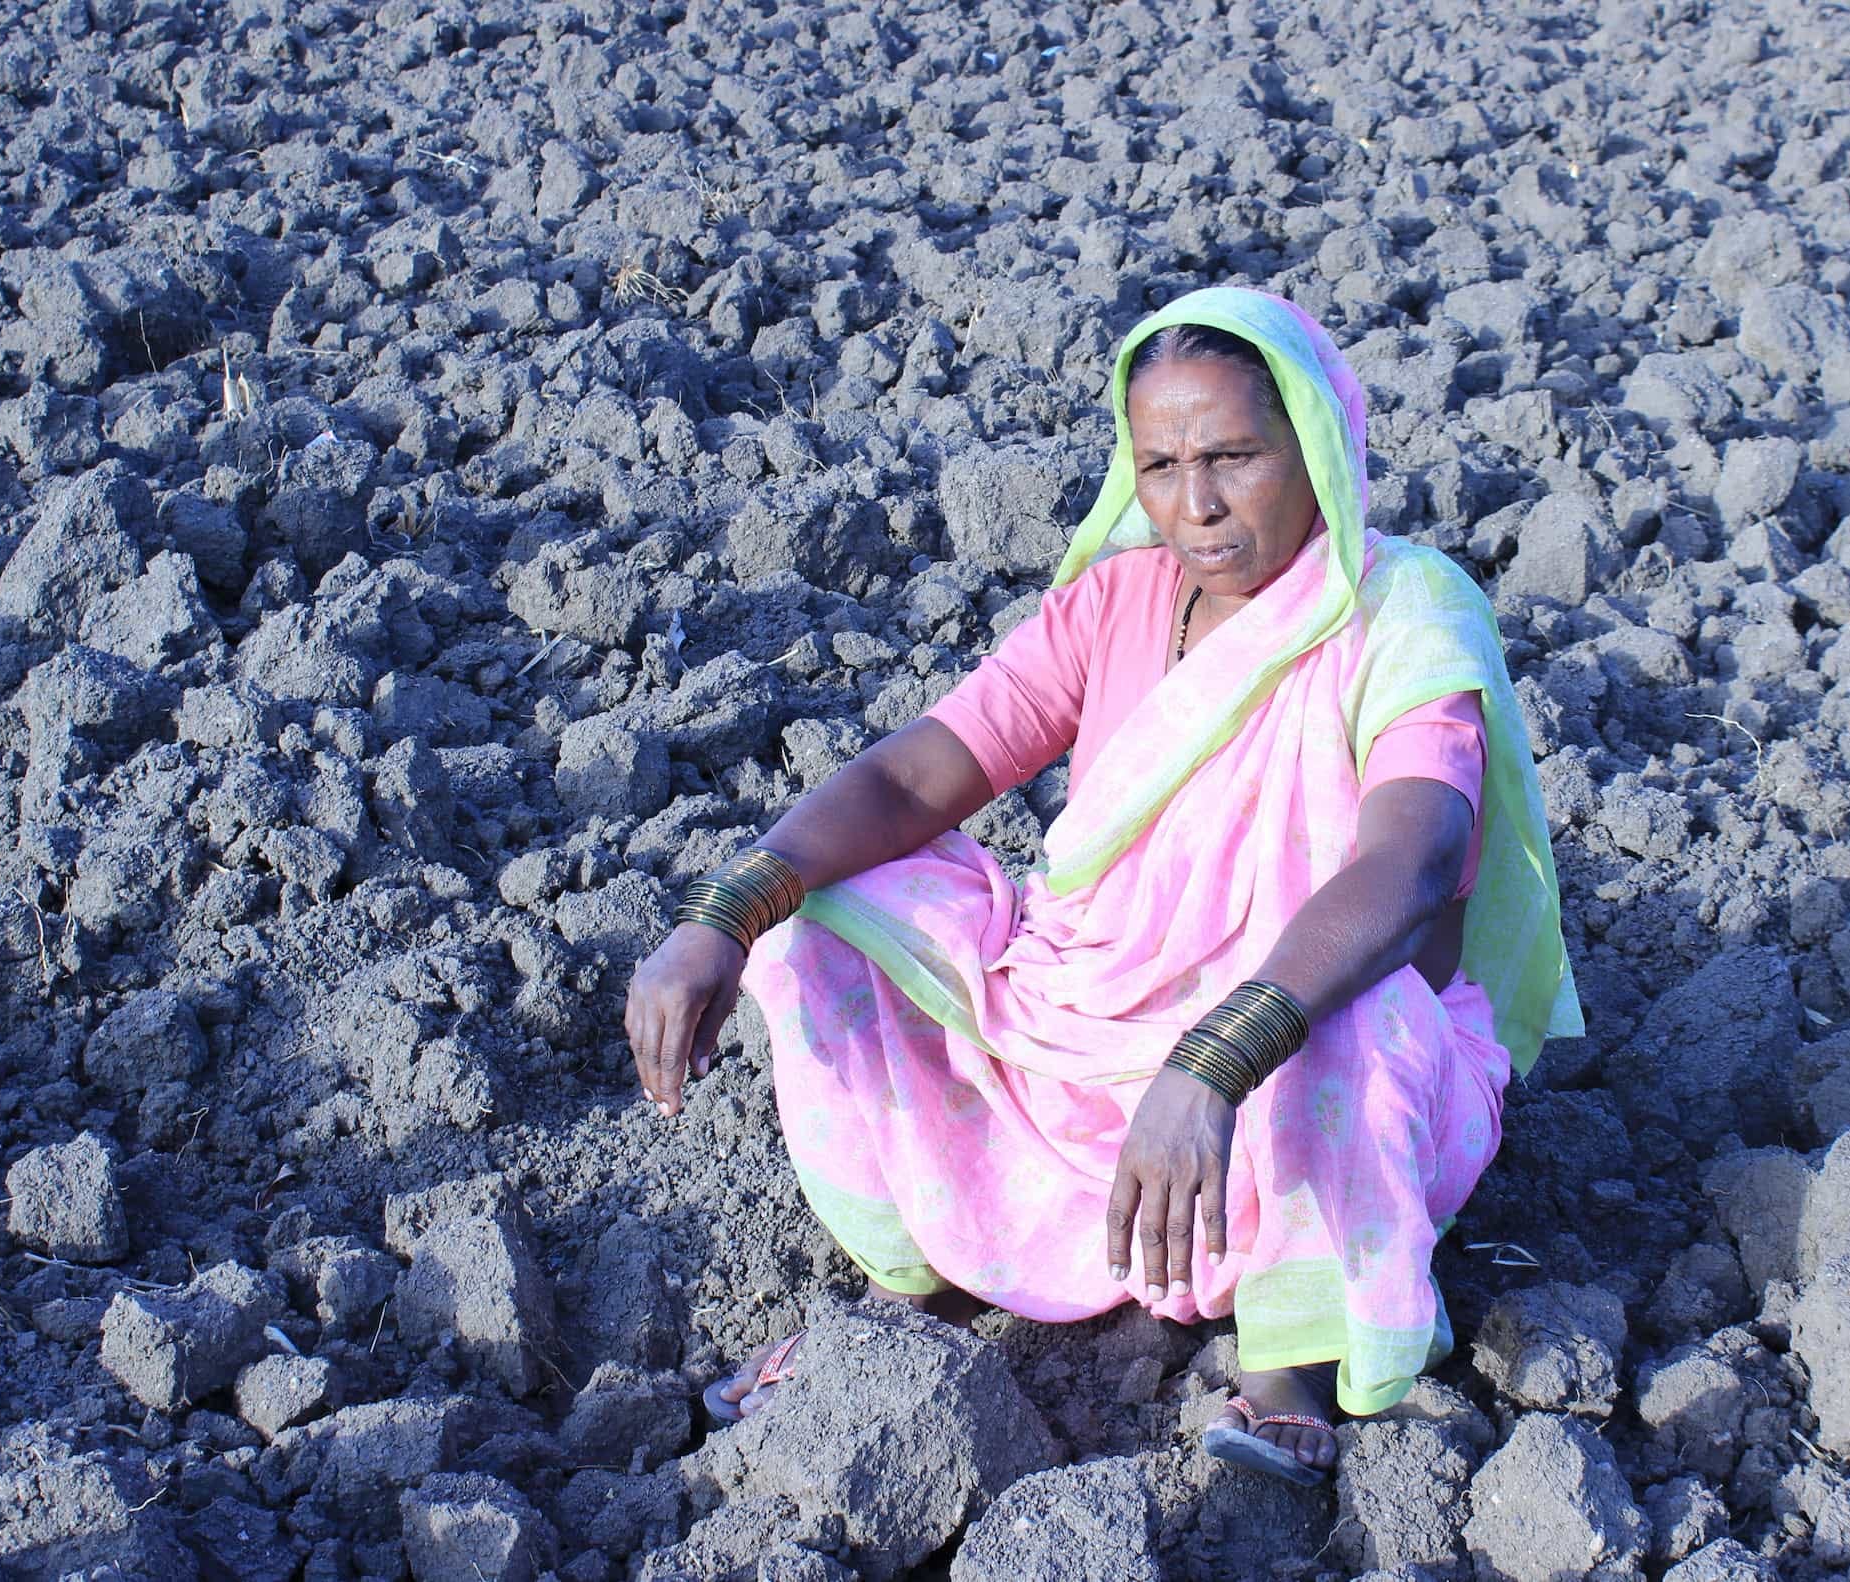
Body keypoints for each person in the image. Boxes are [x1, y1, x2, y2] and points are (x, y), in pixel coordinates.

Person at [623, 286, 1580, 1484]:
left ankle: (1287, 1356)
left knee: (1367, 1011)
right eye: (1164, 462)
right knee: (813, 927)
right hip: (1086, 1013)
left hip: (1288, 1053)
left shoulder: (1400, 612)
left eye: (1235, 455)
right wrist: (725, 910)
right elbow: (923, 772)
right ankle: (916, 1286)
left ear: (1319, 442)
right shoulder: (1120, 600)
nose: (1198, 504)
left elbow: (1412, 862)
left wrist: (1217, 1054)